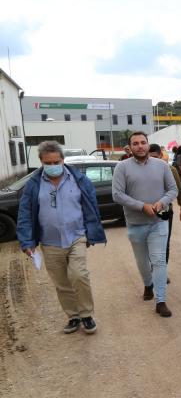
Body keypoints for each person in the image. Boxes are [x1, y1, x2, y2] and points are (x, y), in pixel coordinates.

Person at [16, 141, 107, 334]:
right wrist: (27, 241)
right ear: (41, 162)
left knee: (79, 275)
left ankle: (87, 315)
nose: (53, 166)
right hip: (50, 243)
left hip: (76, 237)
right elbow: (25, 214)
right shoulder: (33, 184)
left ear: (63, 160)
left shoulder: (79, 179)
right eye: (48, 163)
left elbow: (91, 207)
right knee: (61, 282)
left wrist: (92, 231)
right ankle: (73, 316)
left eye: (56, 162)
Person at [112, 132, 178, 317]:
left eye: (143, 142)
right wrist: (142, 206)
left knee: (159, 261)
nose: (140, 146)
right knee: (142, 262)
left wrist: (162, 203)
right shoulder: (122, 167)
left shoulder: (162, 165)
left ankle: (161, 300)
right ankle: (148, 284)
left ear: (148, 145)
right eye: (135, 143)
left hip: (159, 222)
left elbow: (173, 189)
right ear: (130, 147)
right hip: (135, 224)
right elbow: (117, 194)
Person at [148, 144, 181, 268]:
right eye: (150, 157)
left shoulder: (170, 170)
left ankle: (162, 270)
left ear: (160, 155)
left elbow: (179, 190)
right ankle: (153, 268)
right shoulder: (142, 170)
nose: (153, 160)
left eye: (155, 157)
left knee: (164, 241)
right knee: (149, 242)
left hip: (165, 211)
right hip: (147, 211)